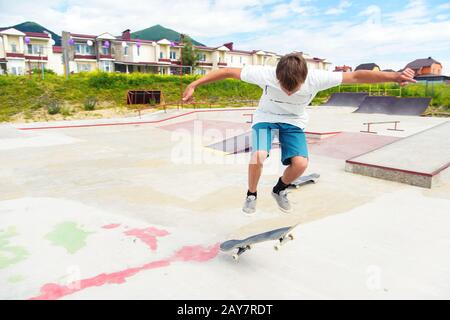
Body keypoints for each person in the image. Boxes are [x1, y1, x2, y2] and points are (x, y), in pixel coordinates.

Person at [182, 53, 416, 214]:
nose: (290, 92)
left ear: (305, 78)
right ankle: (251, 194)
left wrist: (395, 76)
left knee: (301, 164)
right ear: (277, 76)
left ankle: (279, 189)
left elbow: (357, 76)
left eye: (294, 88)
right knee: (258, 156)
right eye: (285, 87)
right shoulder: (264, 73)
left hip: (294, 122)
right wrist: (195, 84)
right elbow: (228, 72)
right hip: (266, 118)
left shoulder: (318, 78)